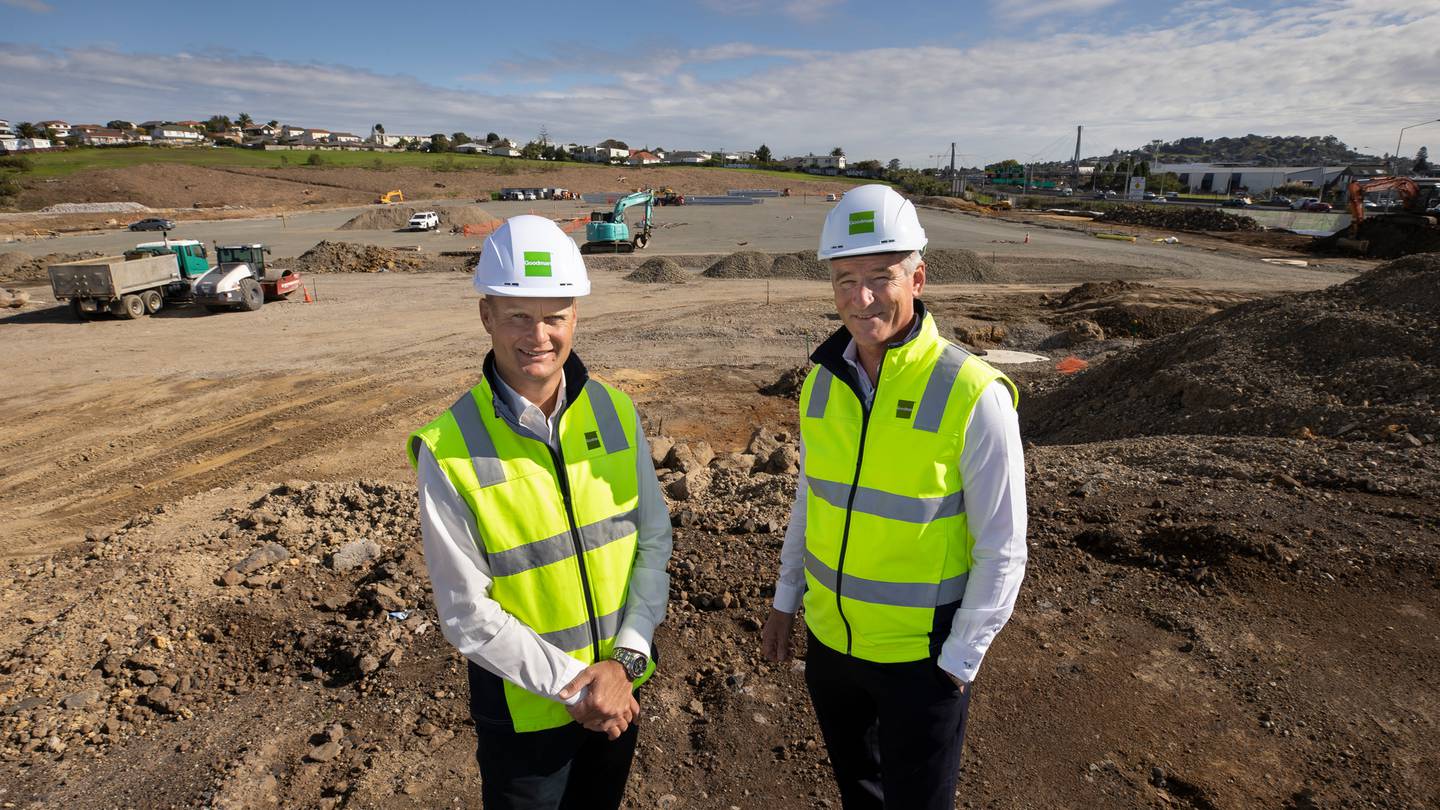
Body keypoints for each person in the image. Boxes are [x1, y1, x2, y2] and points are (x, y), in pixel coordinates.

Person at [760, 185, 1027, 809]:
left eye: (881, 276)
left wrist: (961, 659)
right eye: (845, 279)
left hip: (922, 659)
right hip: (833, 648)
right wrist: (784, 600)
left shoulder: (972, 393)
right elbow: (811, 503)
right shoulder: (821, 386)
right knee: (860, 793)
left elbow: (1003, 545)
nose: (862, 296)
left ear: (918, 278)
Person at [408, 215, 671, 810]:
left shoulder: (615, 411)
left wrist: (626, 659)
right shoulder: (449, 447)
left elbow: (653, 540)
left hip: (619, 693)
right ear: (486, 316)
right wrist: (580, 690)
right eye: (519, 316)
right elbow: (465, 613)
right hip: (526, 716)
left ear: (575, 315)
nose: (539, 335)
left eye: (554, 316)